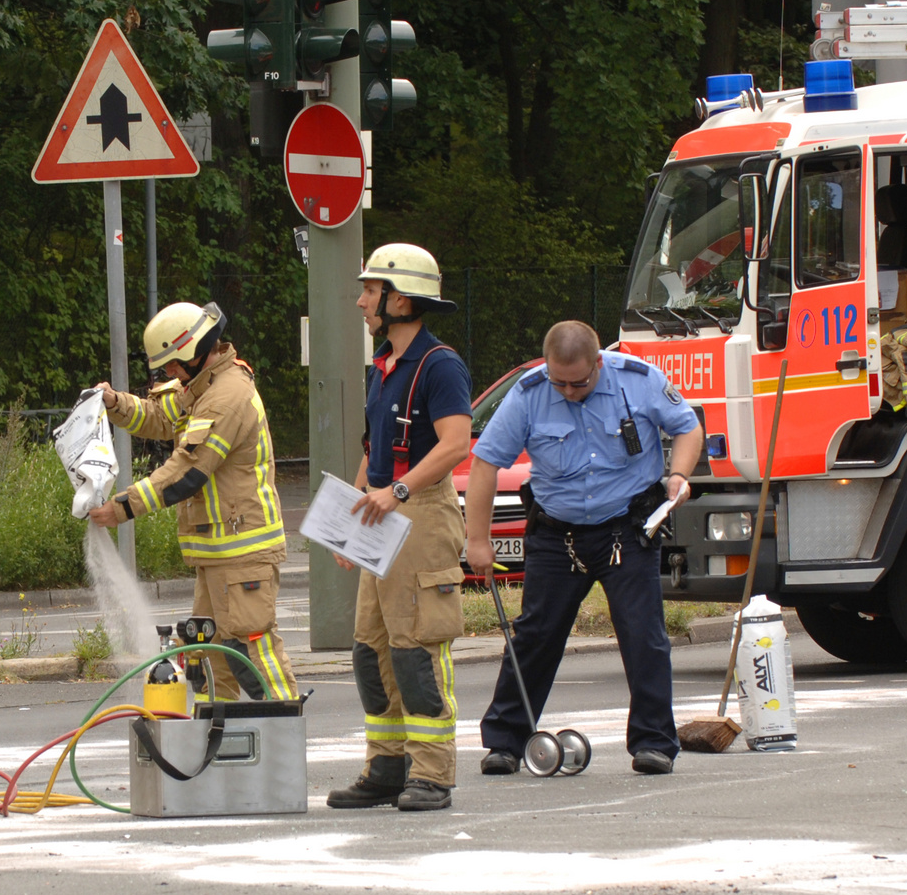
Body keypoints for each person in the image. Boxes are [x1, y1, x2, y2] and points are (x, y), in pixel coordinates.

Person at [466, 320, 703, 775]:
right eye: (561, 382)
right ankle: (506, 741)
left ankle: (653, 742)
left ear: (599, 362)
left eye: (579, 382)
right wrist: (477, 540)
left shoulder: (637, 380)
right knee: (535, 635)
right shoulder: (530, 391)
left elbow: (687, 427)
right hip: (558, 536)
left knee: (644, 635)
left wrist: (679, 474)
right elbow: (485, 463)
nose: (570, 391)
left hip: (626, 532)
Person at [325, 243, 473, 813]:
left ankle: (432, 774)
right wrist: (351, 524)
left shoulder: (440, 366)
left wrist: (397, 492)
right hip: (386, 508)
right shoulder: (383, 364)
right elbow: (374, 452)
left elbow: (456, 443)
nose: (362, 301)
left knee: (416, 650)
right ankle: (387, 767)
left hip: (422, 514)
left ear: (401, 299)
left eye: (371, 291)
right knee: (372, 650)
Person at [88, 301, 296, 703]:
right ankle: (217, 748)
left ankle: (282, 739)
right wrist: (115, 403)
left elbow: (188, 469)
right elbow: (160, 418)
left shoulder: (226, 397)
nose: (168, 375)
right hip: (220, 553)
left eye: (171, 366)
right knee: (209, 659)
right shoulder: (200, 388)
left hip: (243, 551)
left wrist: (124, 507)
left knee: (254, 653)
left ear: (195, 352)